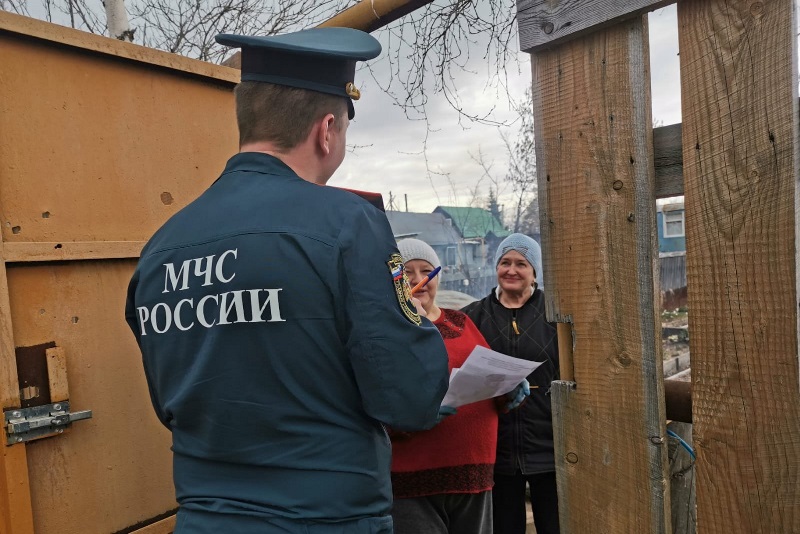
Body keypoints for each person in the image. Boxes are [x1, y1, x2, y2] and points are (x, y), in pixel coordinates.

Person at [124, 28, 449, 534]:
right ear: (326, 130)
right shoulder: (346, 222)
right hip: (325, 520)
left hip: (204, 519)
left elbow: (173, 404)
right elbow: (408, 397)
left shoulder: (162, 246)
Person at [390, 239, 529, 534]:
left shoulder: (460, 322)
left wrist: (508, 391)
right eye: (407, 272)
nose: (418, 280)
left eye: (426, 270)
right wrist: (411, 415)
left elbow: (485, 377)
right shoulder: (385, 330)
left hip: (473, 476)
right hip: (412, 480)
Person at [462, 233, 560, 534]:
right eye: (505, 262)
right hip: (496, 446)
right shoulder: (473, 317)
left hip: (550, 444)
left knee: (556, 524)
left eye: (521, 263)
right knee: (504, 527)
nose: (511, 270)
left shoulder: (555, 316)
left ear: (534, 272)